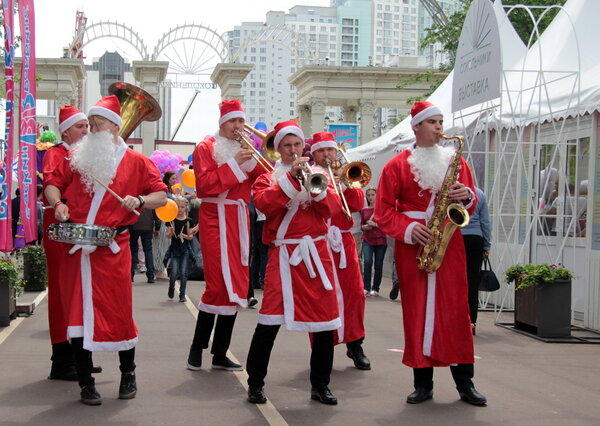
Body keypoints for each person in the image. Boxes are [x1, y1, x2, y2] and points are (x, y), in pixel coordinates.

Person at [45, 95, 168, 405]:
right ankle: (86, 382)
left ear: (115, 126)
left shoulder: (138, 161)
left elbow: (161, 196)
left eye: (98, 124)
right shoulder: (75, 156)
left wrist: (140, 201)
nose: (92, 130)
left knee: (119, 312)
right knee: (77, 314)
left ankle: (129, 373)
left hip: (114, 249)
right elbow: (52, 183)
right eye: (91, 124)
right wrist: (57, 203)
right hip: (79, 245)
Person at [375, 100, 487, 406]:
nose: (440, 127)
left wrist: (467, 196)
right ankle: (422, 384)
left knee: (456, 311)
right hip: (414, 247)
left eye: (440, 121)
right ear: (417, 127)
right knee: (417, 312)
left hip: (449, 246)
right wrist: (410, 230)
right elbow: (383, 212)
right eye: (433, 122)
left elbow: (470, 201)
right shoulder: (396, 165)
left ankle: (465, 383)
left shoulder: (457, 162)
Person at [246, 121, 342, 406]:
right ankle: (255, 383)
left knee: (325, 324)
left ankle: (321, 385)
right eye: (286, 145)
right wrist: (289, 180)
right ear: (278, 150)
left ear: (304, 147)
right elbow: (264, 204)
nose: (292, 150)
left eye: (297, 144)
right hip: (284, 256)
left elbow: (333, 209)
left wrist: (315, 187)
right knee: (268, 322)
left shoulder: (321, 175)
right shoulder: (267, 178)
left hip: (316, 254)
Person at [186, 99, 266, 372]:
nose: (238, 126)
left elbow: (264, 177)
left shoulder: (246, 148)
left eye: (242, 121)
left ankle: (219, 352)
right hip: (214, 217)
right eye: (233, 121)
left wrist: (265, 158)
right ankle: (197, 348)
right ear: (222, 122)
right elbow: (205, 186)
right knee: (218, 284)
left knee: (238, 285)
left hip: (239, 219)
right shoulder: (205, 147)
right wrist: (234, 163)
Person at [42, 105, 96, 381]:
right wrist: (59, 204)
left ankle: (80, 356)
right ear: (65, 130)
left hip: (79, 229)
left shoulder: (86, 154)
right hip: (60, 228)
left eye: (88, 126)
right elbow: (52, 185)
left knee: (80, 290)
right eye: (81, 126)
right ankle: (62, 360)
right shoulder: (56, 153)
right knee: (64, 293)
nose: (86, 130)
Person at [310, 131, 370, 370]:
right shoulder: (311, 174)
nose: (327, 155)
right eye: (322, 150)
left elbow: (356, 204)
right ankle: (322, 348)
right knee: (321, 297)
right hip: (318, 242)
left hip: (344, 242)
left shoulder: (345, 173)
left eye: (330, 150)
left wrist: (344, 181)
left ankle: (355, 344)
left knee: (355, 293)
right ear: (314, 153)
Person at [461, 187, 491, 335]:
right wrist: (487, 244)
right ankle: (471, 322)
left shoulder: (451, 191)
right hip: (476, 239)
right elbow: (485, 221)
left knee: (454, 282)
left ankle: (455, 321)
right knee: (472, 282)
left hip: (456, 238)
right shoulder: (479, 193)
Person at [166, 196, 197, 302]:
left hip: (185, 249)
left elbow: (190, 237)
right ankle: (171, 287)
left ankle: (182, 295)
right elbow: (168, 236)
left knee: (184, 273)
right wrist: (171, 231)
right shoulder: (172, 220)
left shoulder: (189, 221)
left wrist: (183, 236)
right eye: (178, 207)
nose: (180, 209)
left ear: (186, 208)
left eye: (182, 207)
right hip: (175, 249)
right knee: (174, 272)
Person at [361, 187, 387, 296]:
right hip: (368, 239)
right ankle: (366, 287)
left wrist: (375, 225)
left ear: (377, 195)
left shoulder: (382, 210)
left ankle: (375, 288)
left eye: (372, 195)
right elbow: (361, 225)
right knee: (367, 262)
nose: (370, 197)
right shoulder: (364, 210)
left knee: (378, 264)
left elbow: (387, 225)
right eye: (368, 195)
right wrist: (365, 227)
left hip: (380, 240)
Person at [130, 207, 160, 283]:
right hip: (148, 226)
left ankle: (130, 274)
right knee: (148, 250)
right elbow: (156, 214)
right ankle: (150, 275)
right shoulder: (150, 198)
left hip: (134, 225)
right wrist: (157, 228)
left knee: (133, 250)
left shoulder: (134, 196)